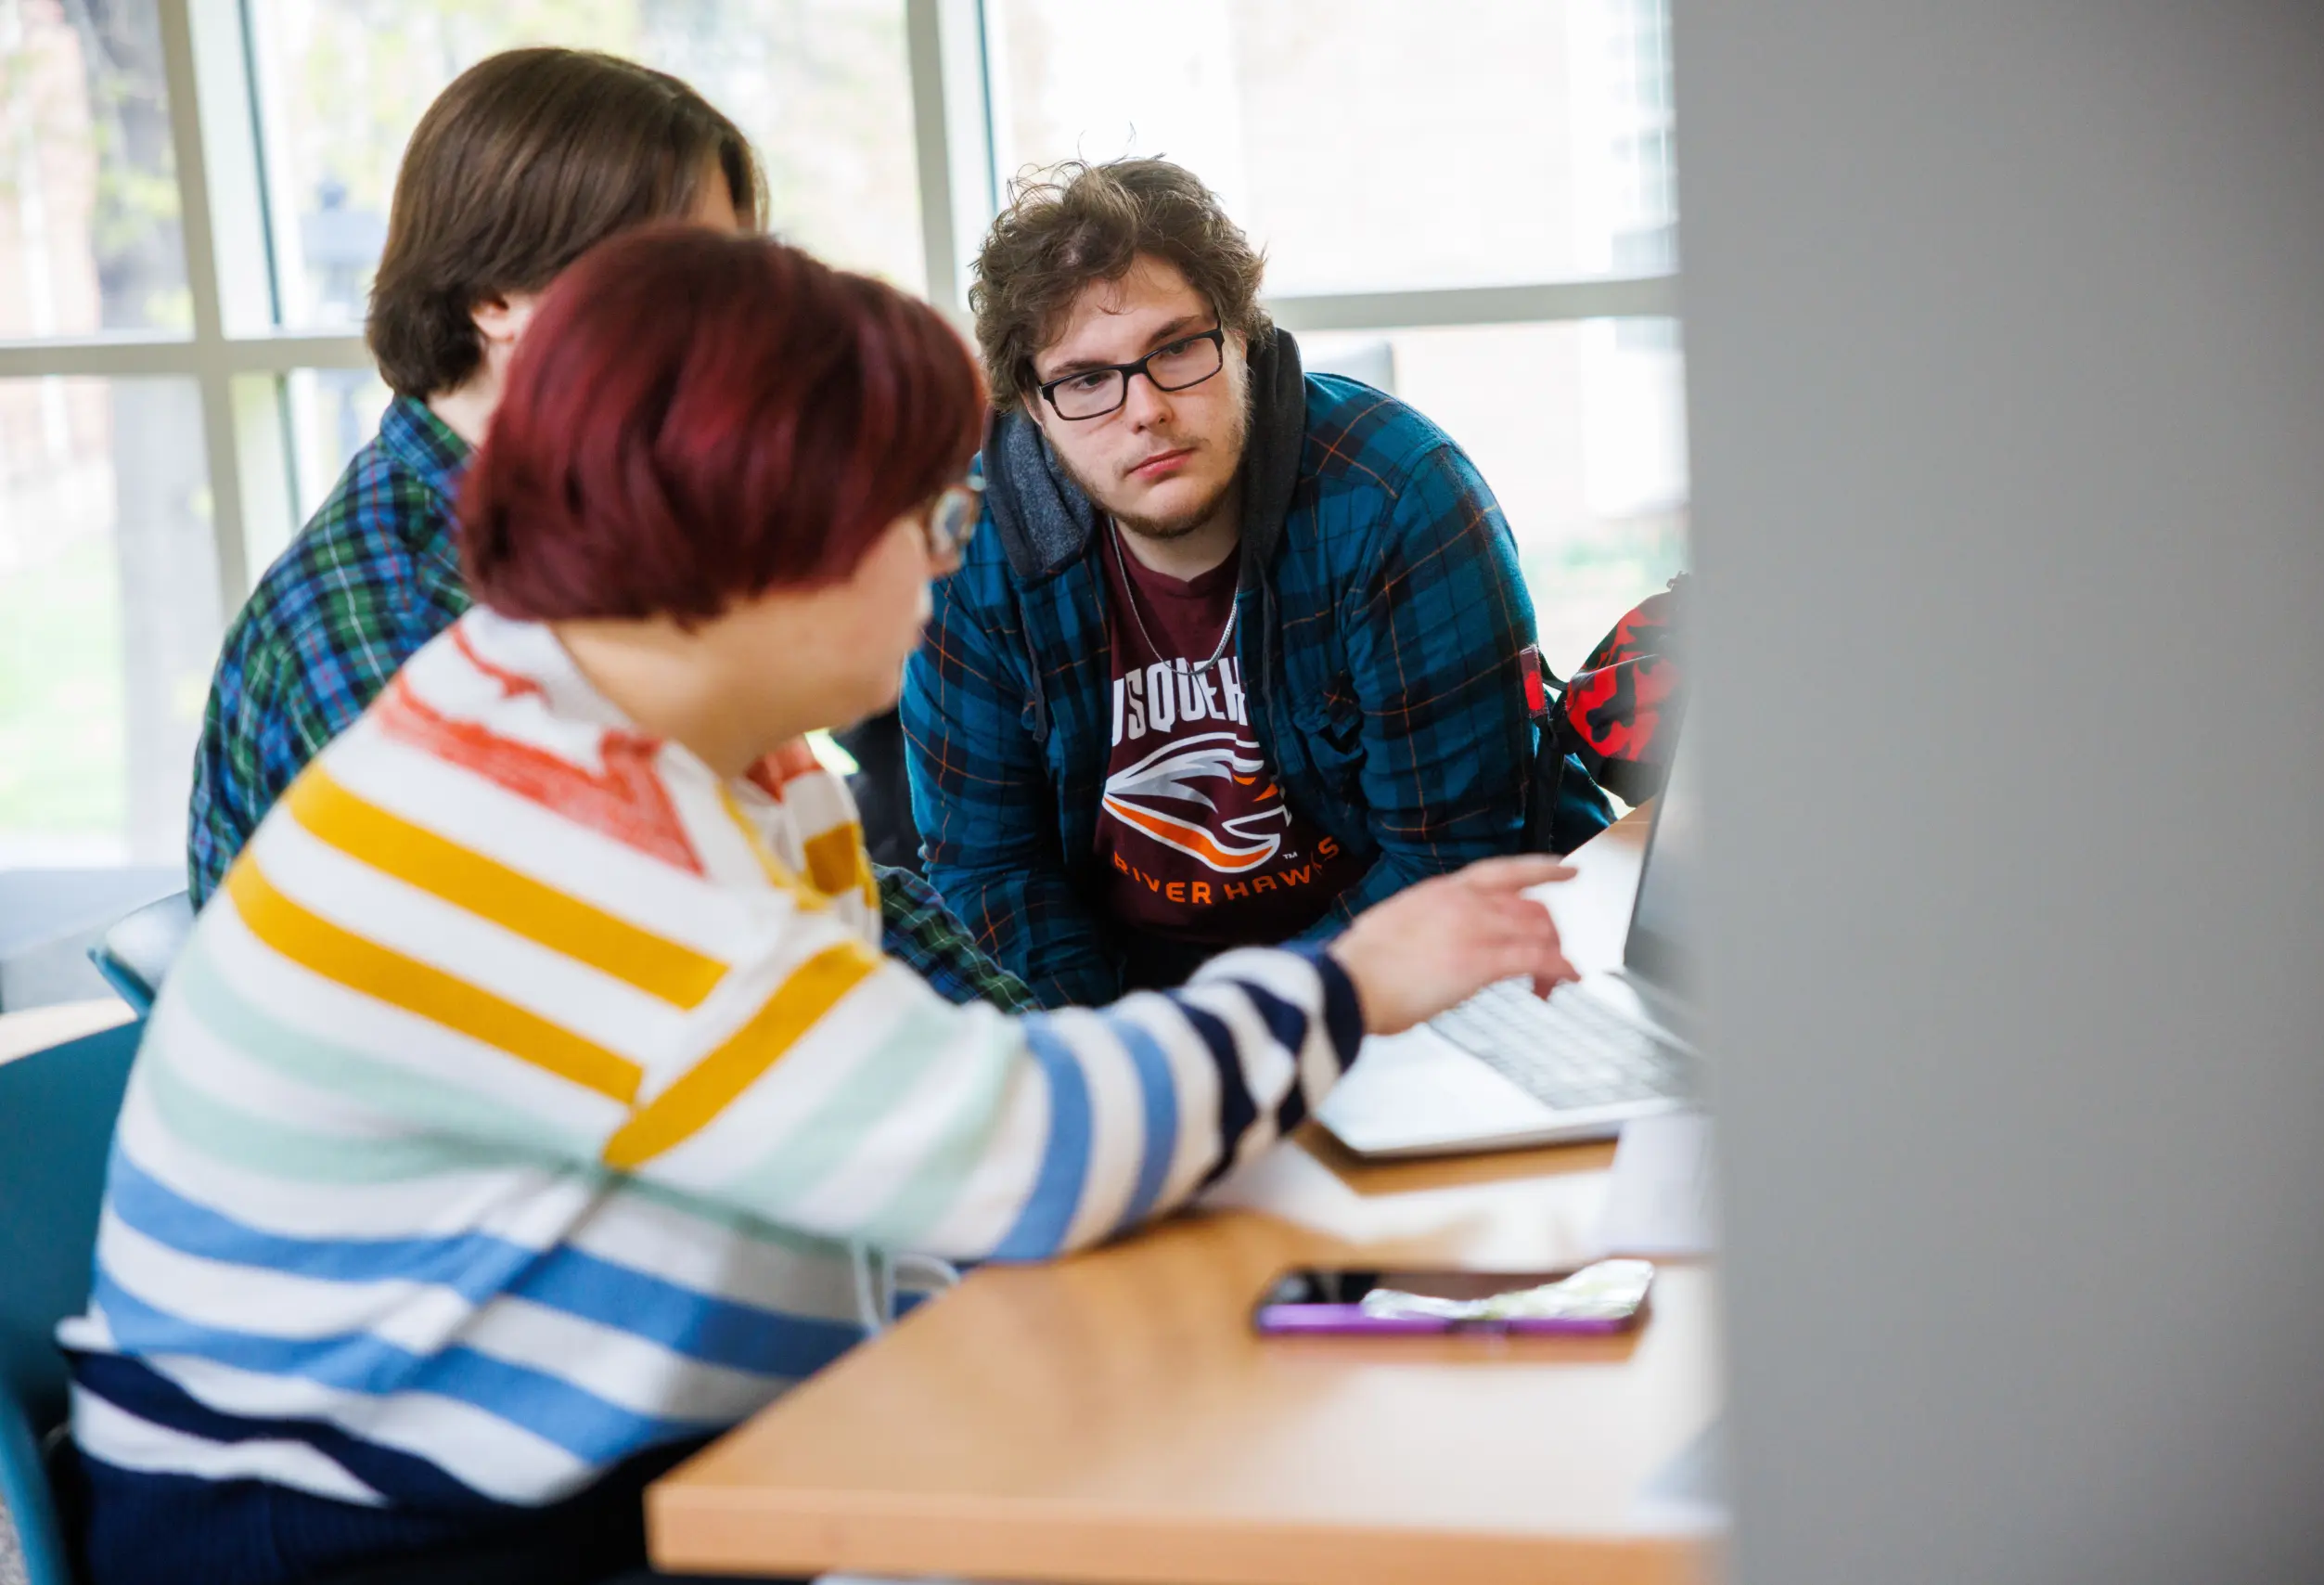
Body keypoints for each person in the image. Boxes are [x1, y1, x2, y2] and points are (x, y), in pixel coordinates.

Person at [59, 226, 1577, 1585]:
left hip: (549, 1439)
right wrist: (1361, 978)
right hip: (360, 1526)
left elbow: (892, 1127)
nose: (946, 565)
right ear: (764, 543)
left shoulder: (689, 739)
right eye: (926, 518)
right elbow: (1014, 1151)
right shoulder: (541, 828)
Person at [184, 45, 1031, 1012]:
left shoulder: (618, 523)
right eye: (675, 281)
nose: (734, 333)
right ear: (494, 297)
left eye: (732, 281)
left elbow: (806, 876)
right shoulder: (404, 627)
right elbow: (604, 1010)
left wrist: (1021, 1044)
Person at [903, 157, 1615, 1007]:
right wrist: (1124, 1063)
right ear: (1033, 403)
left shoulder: (1399, 496)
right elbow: (990, 873)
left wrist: (1241, 1036)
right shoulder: (971, 547)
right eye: (1088, 379)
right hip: (1126, 1016)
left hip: (1402, 998)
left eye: (1175, 350)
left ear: (1242, 338)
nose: (1145, 409)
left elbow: (1449, 865)